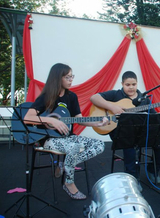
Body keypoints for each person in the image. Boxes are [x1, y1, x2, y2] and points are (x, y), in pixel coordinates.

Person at [24, 63, 108, 200]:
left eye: (71, 76)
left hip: (68, 137)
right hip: (49, 139)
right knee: (74, 148)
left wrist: (96, 123)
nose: (71, 80)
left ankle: (67, 164)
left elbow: (79, 120)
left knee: (100, 145)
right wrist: (52, 121)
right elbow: (28, 118)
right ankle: (68, 183)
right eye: (67, 77)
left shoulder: (72, 97)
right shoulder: (46, 97)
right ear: (58, 78)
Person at [90, 71, 160, 184]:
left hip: (142, 132)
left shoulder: (144, 99)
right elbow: (94, 98)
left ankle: (153, 170)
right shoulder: (115, 95)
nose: (131, 87)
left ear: (137, 84)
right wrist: (112, 107)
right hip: (120, 132)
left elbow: (154, 118)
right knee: (129, 141)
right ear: (122, 84)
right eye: (127, 85)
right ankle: (132, 178)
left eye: (133, 84)